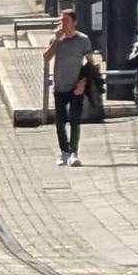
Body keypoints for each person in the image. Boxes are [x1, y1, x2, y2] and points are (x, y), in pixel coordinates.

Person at [41, 10, 94, 167]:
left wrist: (83, 82)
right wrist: (56, 41)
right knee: (60, 121)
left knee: (75, 119)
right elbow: (46, 57)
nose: (63, 24)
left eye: (66, 20)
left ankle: (73, 153)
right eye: (61, 20)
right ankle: (64, 151)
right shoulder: (56, 39)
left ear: (74, 23)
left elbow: (90, 63)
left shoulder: (83, 40)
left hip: (76, 86)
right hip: (59, 85)